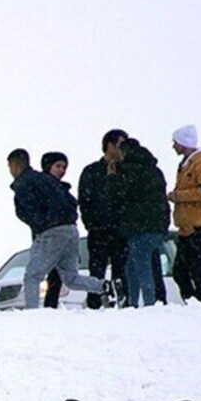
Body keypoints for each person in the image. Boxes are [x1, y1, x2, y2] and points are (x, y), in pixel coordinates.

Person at [7, 149, 104, 309]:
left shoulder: (24, 183)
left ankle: (32, 313)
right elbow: (71, 201)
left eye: (10, 166)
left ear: (15, 165)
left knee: (32, 276)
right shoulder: (46, 179)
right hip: (71, 230)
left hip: (51, 231)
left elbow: (29, 211)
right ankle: (103, 286)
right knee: (71, 278)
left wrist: (42, 226)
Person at [106, 138, 170, 308]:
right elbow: (162, 200)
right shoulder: (154, 170)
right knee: (134, 266)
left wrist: (112, 177)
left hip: (137, 226)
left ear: (124, 151)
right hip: (156, 225)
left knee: (140, 267)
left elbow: (117, 193)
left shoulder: (128, 169)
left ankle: (145, 304)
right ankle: (135, 303)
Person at [167, 125, 201, 305]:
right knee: (181, 270)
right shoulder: (188, 164)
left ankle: (199, 303)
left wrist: (178, 196)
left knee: (195, 269)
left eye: (176, 142)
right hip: (188, 225)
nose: (173, 146)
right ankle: (193, 302)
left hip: (199, 224)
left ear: (184, 143)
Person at [78, 130, 129, 309]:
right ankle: (94, 305)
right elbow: (84, 200)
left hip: (121, 230)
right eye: (120, 144)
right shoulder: (92, 171)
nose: (124, 149)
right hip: (99, 230)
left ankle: (122, 304)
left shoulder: (127, 170)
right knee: (96, 272)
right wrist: (92, 224)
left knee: (121, 272)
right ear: (109, 145)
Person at [38, 152, 70, 309]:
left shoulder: (62, 189)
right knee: (52, 275)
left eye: (64, 167)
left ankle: (51, 306)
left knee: (58, 275)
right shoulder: (43, 187)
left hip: (63, 236)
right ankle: (49, 306)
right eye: (58, 166)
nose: (62, 170)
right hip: (50, 235)